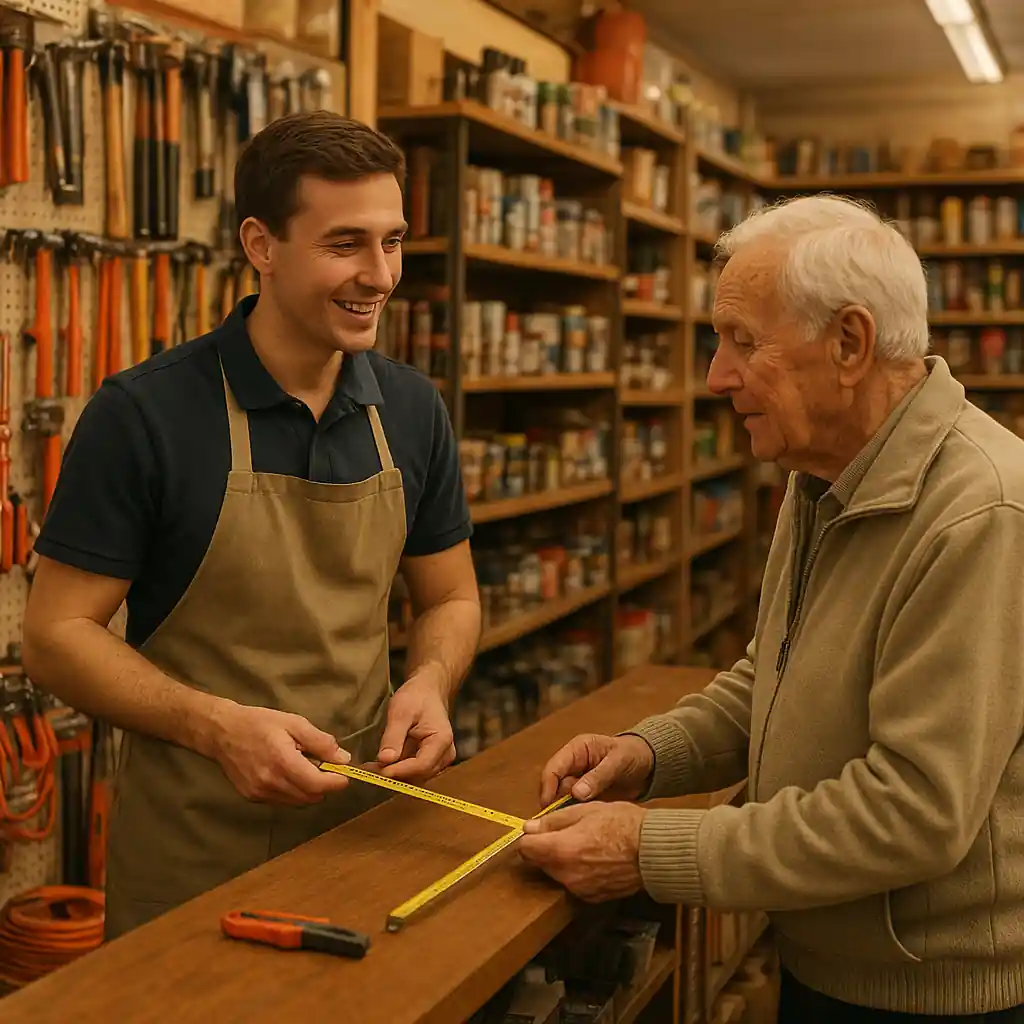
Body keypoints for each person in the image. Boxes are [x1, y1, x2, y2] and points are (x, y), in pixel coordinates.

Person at [519, 194, 1024, 1021]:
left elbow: (914, 812)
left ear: (850, 344)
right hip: (830, 958)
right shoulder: (821, 476)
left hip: (935, 996)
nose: (716, 376)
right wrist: (649, 755)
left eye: (742, 342)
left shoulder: (982, 512)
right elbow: (776, 674)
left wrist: (651, 849)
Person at [22, 111, 481, 941]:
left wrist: (430, 685)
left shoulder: (412, 410)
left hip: (366, 829)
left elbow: (450, 598)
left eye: (393, 240)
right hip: (196, 849)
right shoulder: (145, 414)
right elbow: (55, 636)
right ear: (261, 246)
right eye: (346, 244)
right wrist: (218, 726)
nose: (380, 275)